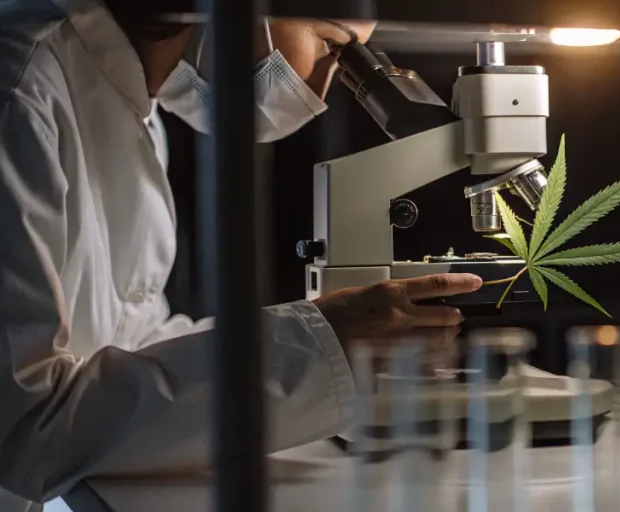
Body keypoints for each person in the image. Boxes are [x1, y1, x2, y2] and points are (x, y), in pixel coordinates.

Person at [0, 0, 481, 508]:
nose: (321, 92)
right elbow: (24, 423)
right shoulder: (20, 92)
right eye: (330, 44)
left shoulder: (127, 102)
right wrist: (320, 347)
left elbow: (124, 349)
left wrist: (326, 338)